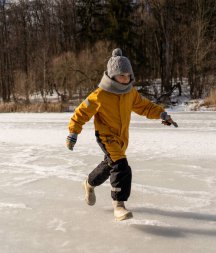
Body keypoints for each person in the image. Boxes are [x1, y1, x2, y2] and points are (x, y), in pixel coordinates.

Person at [66, 48, 178, 221]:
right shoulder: (100, 95)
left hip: (121, 138)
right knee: (121, 166)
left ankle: (88, 183)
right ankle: (119, 204)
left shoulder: (130, 93)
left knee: (110, 165)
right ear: (112, 76)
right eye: (121, 75)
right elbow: (81, 113)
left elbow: (145, 107)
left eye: (128, 75)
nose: (126, 78)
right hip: (105, 136)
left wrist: (162, 114)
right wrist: (73, 132)